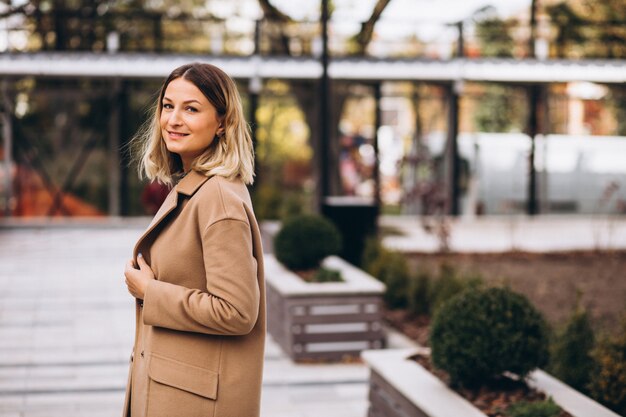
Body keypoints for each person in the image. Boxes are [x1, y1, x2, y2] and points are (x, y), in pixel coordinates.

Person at [122, 62, 265, 417]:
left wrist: (149, 292)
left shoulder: (217, 198)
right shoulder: (195, 187)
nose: (173, 119)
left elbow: (237, 312)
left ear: (222, 122)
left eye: (191, 109)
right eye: (168, 106)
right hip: (176, 388)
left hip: (193, 402)